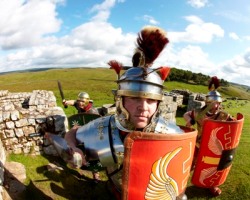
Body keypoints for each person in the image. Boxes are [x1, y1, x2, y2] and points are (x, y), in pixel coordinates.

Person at [64, 26, 185, 199]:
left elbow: (181, 165)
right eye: (135, 98)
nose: (143, 107)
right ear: (120, 100)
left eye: (151, 100)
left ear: (158, 104)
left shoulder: (170, 134)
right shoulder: (103, 127)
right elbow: (73, 133)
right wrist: (74, 147)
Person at [183, 76, 234, 196]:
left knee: (213, 166)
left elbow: (233, 124)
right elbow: (186, 114)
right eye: (213, 103)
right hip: (198, 144)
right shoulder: (199, 113)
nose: (216, 106)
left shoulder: (223, 115)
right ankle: (181, 183)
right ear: (208, 103)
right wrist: (190, 120)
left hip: (213, 148)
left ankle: (212, 184)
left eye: (218, 103)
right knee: (190, 165)